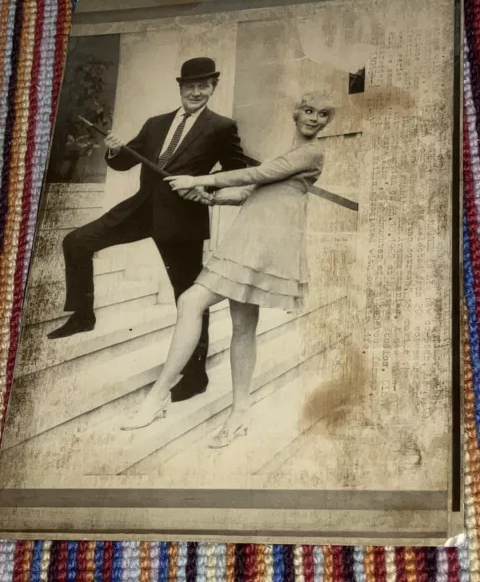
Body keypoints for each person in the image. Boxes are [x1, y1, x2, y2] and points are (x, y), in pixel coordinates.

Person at [120, 92, 335, 446]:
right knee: (243, 327)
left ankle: (158, 396)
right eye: (309, 110)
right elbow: (248, 190)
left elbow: (260, 172)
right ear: (296, 113)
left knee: (191, 302)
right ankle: (240, 413)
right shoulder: (289, 153)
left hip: (266, 243)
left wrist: (198, 179)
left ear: (328, 121)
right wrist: (207, 196)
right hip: (249, 237)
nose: (314, 118)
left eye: (323, 114)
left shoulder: (312, 153)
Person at [47, 57, 252, 403]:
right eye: (191, 86)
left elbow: (236, 171)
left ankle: (195, 375)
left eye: (204, 86)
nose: (197, 92)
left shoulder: (221, 127)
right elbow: (125, 161)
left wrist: (203, 188)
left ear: (213, 87)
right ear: (181, 88)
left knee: (187, 299)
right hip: (141, 209)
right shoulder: (156, 124)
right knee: (76, 241)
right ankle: (83, 315)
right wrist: (113, 150)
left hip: (182, 219)